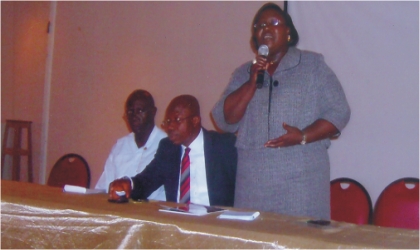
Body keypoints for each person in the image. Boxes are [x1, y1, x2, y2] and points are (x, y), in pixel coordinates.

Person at [211, 2, 351, 219]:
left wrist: (303, 136)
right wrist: (250, 83)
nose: (266, 28)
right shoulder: (244, 73)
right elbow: (224, 119)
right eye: (259, 25)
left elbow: (339, 111)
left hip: (301, 183)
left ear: (288, 32)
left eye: (274, 23)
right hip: (253, 185)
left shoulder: (312, 65)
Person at [108, 95, 237, 207]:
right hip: (178, 226)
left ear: (195, 120)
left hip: (216, 226)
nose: (170, 127)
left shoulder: (223, 146)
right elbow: (147, 181)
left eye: (177, 120)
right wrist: (128, 184)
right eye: (168, 121)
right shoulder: (168, 148)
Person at [95, 89, 167, 201]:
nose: (134, 116)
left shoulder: (167, 145)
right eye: (130, 112)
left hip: (152, 213)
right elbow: (103, 188)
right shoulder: (120, 146)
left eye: (139, 111)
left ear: (153, 112)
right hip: (119, 212)